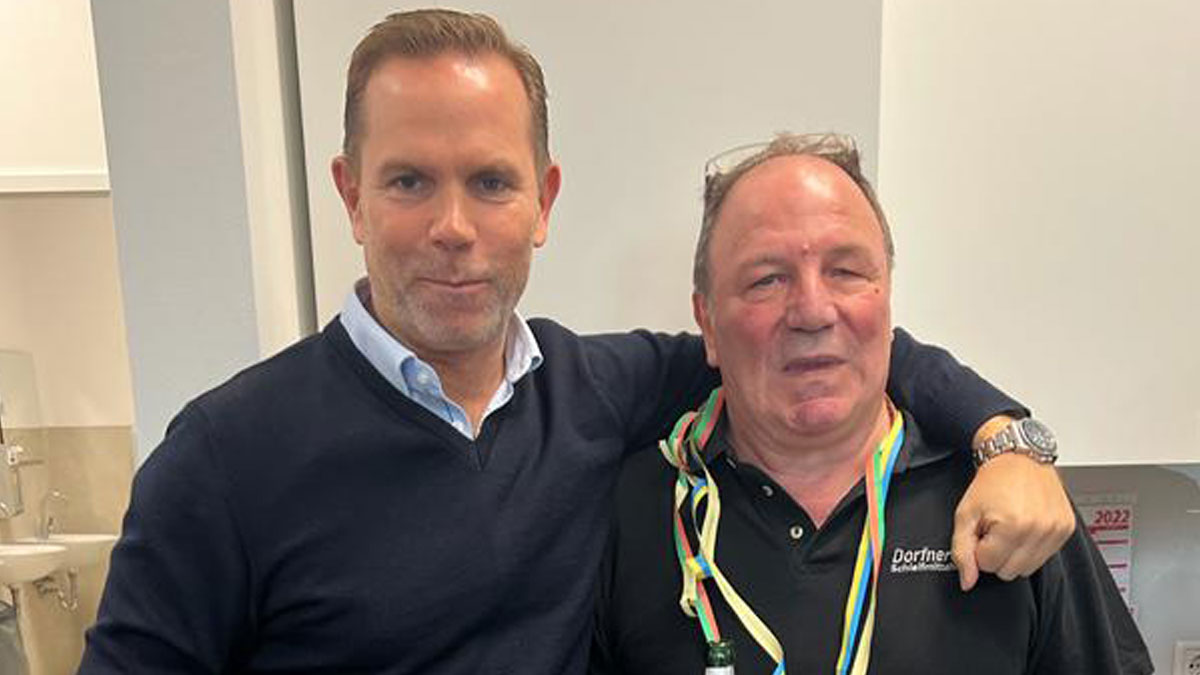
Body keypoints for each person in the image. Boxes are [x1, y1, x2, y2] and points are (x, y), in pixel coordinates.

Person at [80, 11, 1074, 675]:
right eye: (410, 181)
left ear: (544, 201)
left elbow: (819, 346)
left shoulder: (599, 390)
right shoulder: (224, 456)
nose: (454, 227)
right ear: (351, 195)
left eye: (491, 182)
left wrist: (1007, 440)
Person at [590, 134, 1151, 674]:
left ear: (887, 296)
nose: (813, 311)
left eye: (846, 272)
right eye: (767, 279)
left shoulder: (1009, 499)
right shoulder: (630, 513)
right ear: (708, 323)